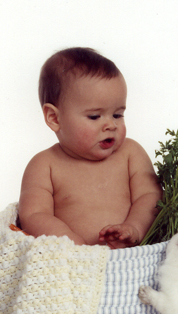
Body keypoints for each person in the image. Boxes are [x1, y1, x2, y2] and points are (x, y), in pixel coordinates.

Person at [18, 47, 162, 248]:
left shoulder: (131, 154)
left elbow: (150, 197)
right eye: (94, 116)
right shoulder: (44, 165)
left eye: (117, 115)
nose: (111, 125)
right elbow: (33, 214)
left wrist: (134, 228)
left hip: (132, 260)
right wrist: (68, 241)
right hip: (70, 265)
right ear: (54, 118)